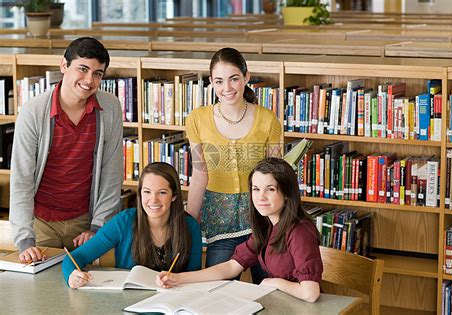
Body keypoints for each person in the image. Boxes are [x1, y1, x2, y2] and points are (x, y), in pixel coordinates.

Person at [9, 37, 123, 263]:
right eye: (83, 69)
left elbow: (112, 172)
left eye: (97, 73)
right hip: (40, 223)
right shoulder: (33, 111)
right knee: (42, 294)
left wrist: (97, 227)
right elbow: (21, 178)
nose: (89, 80)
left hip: (84, 222)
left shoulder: (110, 107)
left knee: (85, 289)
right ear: (64, 66)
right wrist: (25, 239)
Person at [157, 157, 322, 303]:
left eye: (270, 189)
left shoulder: (300, 231)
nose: (261, 197)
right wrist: (178, 278)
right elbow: (230, 267)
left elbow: (310, 293)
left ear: (287, 193)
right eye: (256, 189)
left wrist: (274, 282)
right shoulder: (266, 227)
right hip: (283, 304)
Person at [185, 47, 282, 280]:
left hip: (262, 222)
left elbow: (277, 178)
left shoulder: (268, 119)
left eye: (234, 79)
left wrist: (281, 225)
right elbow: (200, 175)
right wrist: (187, 223)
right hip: (219, 225)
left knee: (270, 290)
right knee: (218, 292)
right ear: (211, 82)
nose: (226, 88)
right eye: (219, 81)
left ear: (246, 77)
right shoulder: (197, 119)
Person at [63, 162, 202, 288]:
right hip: (128, 303)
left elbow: (193, 276)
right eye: (147, 192)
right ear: (140, 194)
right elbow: (76, 256)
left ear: (174, 195)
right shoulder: (124, 221)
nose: (153, 200)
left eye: (162, 192)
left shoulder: (190, 226)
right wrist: (72, 275)